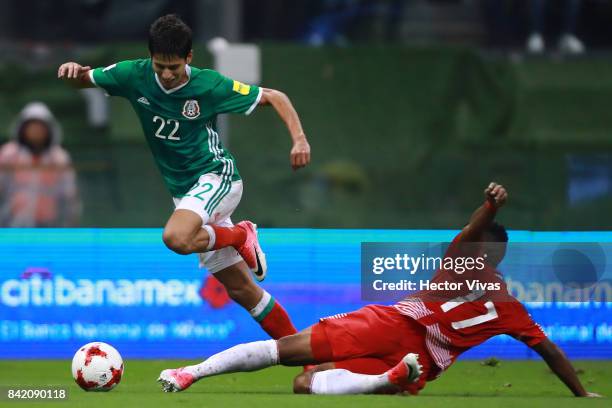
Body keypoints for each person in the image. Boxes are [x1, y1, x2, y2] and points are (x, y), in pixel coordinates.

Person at [157, 182, 601, 398]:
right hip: (425, 363)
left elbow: (472, 229)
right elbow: (549, 350)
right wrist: (581, 394)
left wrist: (490, 206)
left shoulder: (460, 259)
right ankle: (385, 381)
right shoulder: (509, 304)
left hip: (394, 324)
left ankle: (192, 373)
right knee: (304, 383)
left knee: (291, 356)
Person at [58, 15, 311, 341]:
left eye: (173, 67)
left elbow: (276, 96)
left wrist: (300, 139)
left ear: (189, 58)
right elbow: (83, 79)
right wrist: (72, 71)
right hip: (185, 193)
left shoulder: (208, 84)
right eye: (159, 66)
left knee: (175, 238)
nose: (166, 74)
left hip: (217, 177)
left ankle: (239, 235)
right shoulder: (132, 74)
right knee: (241, 289)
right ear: (150, 58)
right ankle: (308, 357)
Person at [0, 102, 81, 227]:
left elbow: (69, 196)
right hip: (11, 224)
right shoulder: (9, 154)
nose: (36, 130)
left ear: (49, 129)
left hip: (48, 226)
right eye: (32, 126)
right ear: (23, 128)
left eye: (40, 127)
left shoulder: (59, 157)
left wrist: (69, 224)